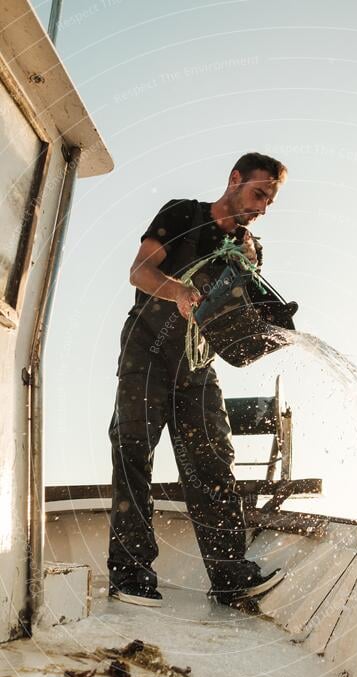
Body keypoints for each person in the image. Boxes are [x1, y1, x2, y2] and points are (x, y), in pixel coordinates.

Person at [107, 152, 288, 607]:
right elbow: (140, 271)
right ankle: (131, 574)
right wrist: (180, 292)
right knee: (133, 452)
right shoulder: (182, 213)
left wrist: (250, 276)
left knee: (212, 464)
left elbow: (236, 318)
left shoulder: (250, 249)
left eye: (270, 200)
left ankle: (229, 577)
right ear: (234, 180)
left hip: (197, 367)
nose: (262, 206)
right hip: (147, 351)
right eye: (258, 193)